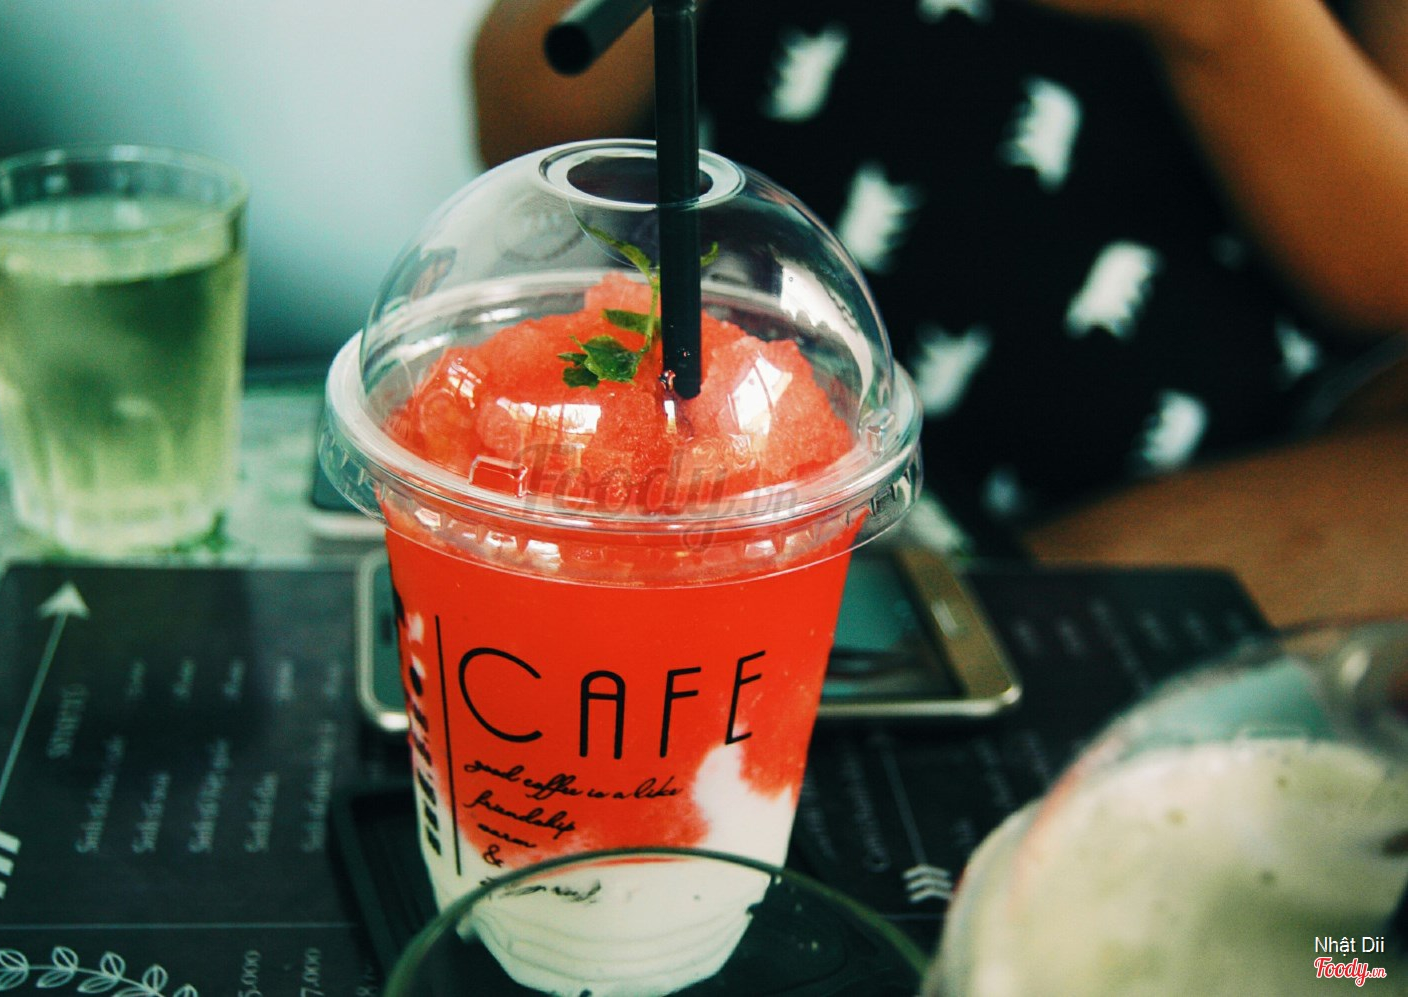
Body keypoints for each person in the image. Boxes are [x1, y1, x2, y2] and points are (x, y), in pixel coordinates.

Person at [470, 0, 1408, 626]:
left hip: (1192, 504)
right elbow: (531, 129)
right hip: (740, 473)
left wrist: (1225, 18)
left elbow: (1385, 276)